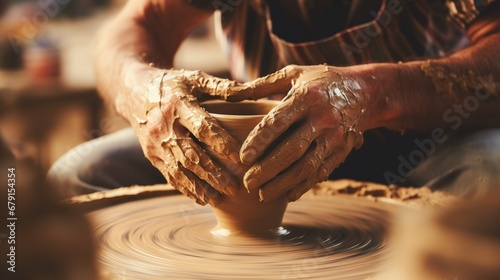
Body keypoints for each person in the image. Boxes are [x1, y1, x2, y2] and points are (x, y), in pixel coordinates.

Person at [48, 0, 500, 205]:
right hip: (262, 152)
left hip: (429, 142)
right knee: (79, 177)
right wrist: (144, 91)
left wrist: (370, 93)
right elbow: (140, 23)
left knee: (493, 177)